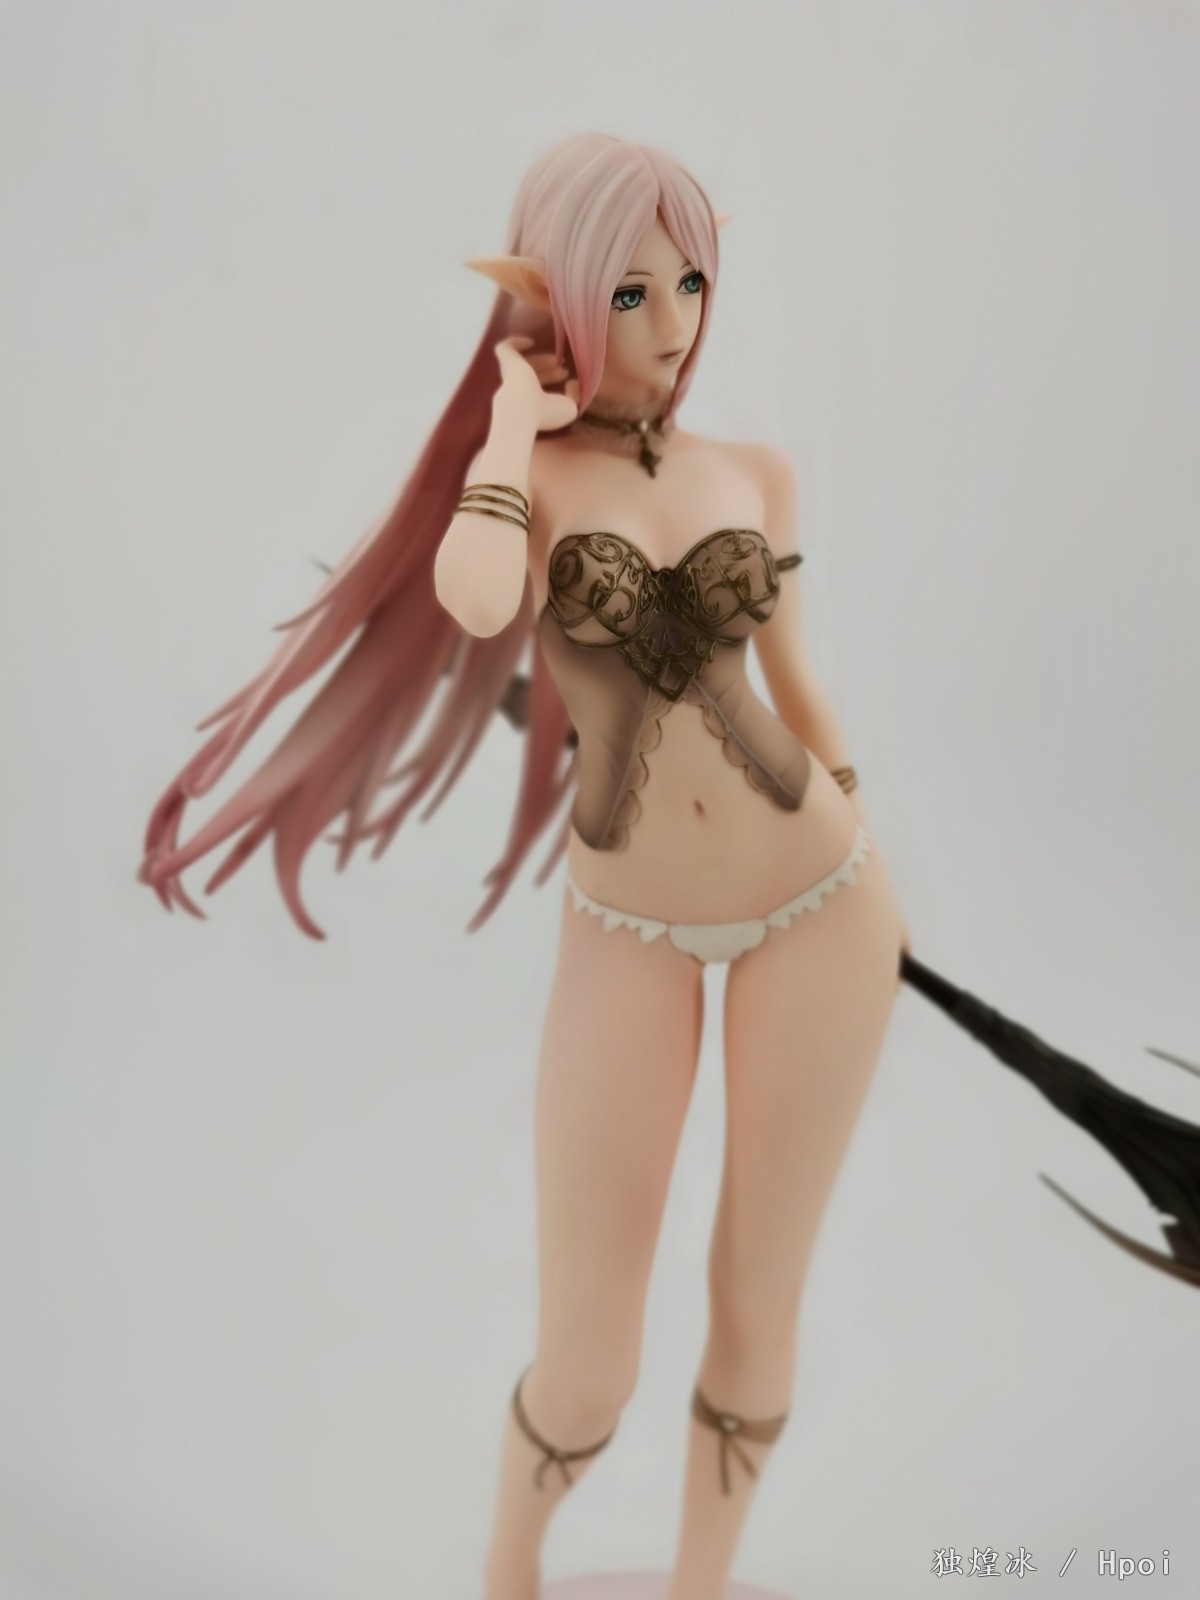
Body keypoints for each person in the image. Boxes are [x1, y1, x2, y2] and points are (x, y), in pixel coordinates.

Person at [140, 132, 911, 1600]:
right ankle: (511, 1575)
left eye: (690, 282)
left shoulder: (757, 472)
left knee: (757, 1304)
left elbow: (801, 694)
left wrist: (873, 865)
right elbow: (480, 597)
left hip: (824, 907)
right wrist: (506, 429)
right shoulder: (535, 481)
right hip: (627, 926)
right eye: (629, 292)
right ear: (554, 299)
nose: (673, 323)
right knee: (588, 1361)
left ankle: (700, 1590)